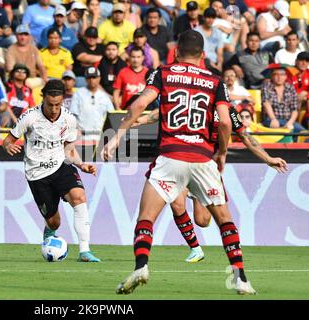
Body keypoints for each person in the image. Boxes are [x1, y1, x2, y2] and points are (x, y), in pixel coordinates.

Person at [102, 30, 257, 295]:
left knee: (146, 217)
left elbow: (139, 105)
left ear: (175, 52)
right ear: (203, 55)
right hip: (202, 158)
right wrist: (221, 152)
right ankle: (240, 277)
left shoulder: (163, 73)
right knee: (224, 221)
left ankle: (141, 266)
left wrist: (116, 138)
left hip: (170, 155)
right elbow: (226, 122)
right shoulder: (215, 80)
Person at [132, 96, 288, 263]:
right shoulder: (192, 102)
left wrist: (268, 158)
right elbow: (162, 111)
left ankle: (196, 198)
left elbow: (245, 137)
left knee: (202, 220)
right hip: (180, 160)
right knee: (177, 205)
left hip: (205, 169)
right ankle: (196, 249)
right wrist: (141, 119)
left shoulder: (227, 110)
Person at [2, 79, 101, 263]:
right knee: (55, 221)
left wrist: (81, 165)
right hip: (37, 174)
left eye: (58, 104)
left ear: (63, 100)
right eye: (50, 104)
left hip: (60, 165)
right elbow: (8, 140)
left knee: (79, 197)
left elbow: (68, 149)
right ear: (43, 99)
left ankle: (84, 251)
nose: (54, 109)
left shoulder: (69, 119)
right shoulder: (29, 117)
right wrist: (8, 146)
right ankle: (50, 229)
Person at [69, 66, 114, 142]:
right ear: (85, 79)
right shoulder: (78, 94)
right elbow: (73, 115)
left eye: (94, 77)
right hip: (82, 137)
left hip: (99, 137)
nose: (92, 80)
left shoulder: (104, 97)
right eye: (89, 78)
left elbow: (111, 116)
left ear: (99, 78)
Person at [261, 66, 305, 141]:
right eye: (276, 74)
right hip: (271, 119)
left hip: (288, 120)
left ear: (285, 76)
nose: (279, 77)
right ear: (272, 76)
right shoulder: (266, 86)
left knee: (303, 132)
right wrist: (273, 119)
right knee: (281, 129)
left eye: (282, 74)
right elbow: (266, 104)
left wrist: (290, 122)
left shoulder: (290, 87)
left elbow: (294, 109)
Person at [5, 24, 48, 89]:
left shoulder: (34, 49)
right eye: (20, 34)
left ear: (29, 36)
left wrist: (45, 78)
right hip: (17, 80)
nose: (23, 37)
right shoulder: (11, 50)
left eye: (25, 35)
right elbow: (10, 69)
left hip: (33, 79)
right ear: (16, 36)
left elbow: (41, 66)